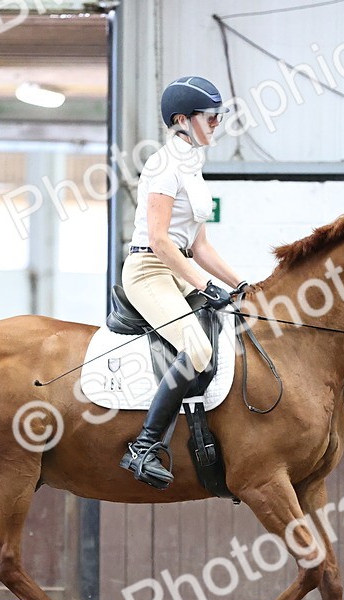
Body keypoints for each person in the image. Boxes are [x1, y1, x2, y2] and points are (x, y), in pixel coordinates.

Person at [119, 76, 247, 490]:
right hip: (149, 271)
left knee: (237, 327)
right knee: (196, 347)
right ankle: (144, 446)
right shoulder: (163, 165)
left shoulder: (192, 166)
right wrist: (204, 285)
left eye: (218, 116)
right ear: (182, 120)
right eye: (210, 117)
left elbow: (200, 246)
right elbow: (158, 240)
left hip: (178, 271)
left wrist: (243, 283)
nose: (216, 124)